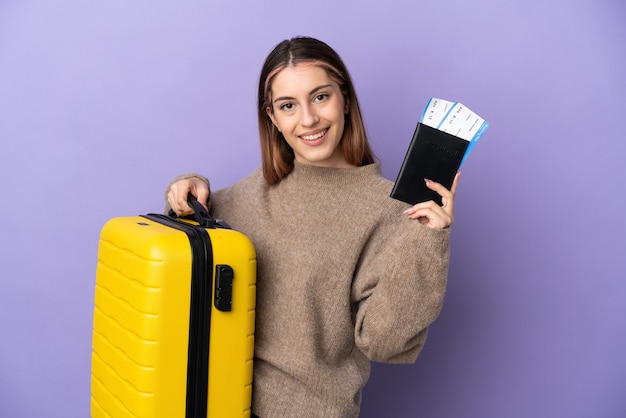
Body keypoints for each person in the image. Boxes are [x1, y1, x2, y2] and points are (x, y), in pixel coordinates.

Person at [166, 36, 459, 418]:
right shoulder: (256, 190)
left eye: (320, 97)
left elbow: (384, 342)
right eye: (289, 105)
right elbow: (191, 250)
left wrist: (428, 240)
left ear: (345, 99)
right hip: (214, 404)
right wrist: (186, 188)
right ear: (272, 117)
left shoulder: (392, 209)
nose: (308, 119)